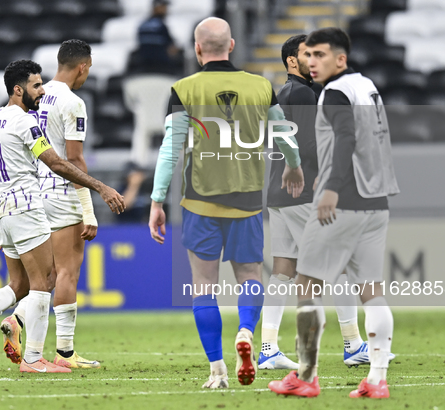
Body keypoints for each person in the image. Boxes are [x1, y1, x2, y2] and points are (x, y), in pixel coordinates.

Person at [148, 17, 305, 389]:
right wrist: (294, 167)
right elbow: (284, 133)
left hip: (200, 203)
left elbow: (171, 150)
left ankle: (218, 369)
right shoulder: (261, 86)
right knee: (250, 276)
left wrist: (157, 200)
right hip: (248, 202)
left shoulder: (184, 89)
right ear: (231, 46)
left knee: (204, 285)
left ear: (198, 49)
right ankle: (248, 332)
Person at [0, 59, 125, 373]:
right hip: (26, 207)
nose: (42, 91)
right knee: (44, 281)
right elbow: (56, 163)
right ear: (18, 90)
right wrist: (101, 187)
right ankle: (33, 359)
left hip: (3, 209)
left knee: (18, 285)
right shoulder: (25, 122)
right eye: (36, 85)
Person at [268, 28, 399, 398]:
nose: (312, 62)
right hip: (376, 200)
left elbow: (345, 140)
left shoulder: (335, 92)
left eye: (320, 55)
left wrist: (329, 189)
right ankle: (376, 379)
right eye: (308, 55)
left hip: (344, 199)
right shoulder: (367, 87)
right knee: (371, 289)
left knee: (306, 284)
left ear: (340, 59)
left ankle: (305, 377)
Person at [0, 40, 101, 370]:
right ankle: (66, 353)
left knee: (50, 274)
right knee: (67, 272)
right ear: (83, 66)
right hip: (63, 192)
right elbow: (74, 159)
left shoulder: (39, 96)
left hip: (35, 192)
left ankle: (17, 317)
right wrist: (89, 208)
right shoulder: (73, 102)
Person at [137, 0, 182, 75]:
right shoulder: (161, 26)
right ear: (157, 7)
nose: (166, 10)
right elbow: (171, 48)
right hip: (162, 67)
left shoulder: (142, 25)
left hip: (144, 66)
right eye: (164, 7)